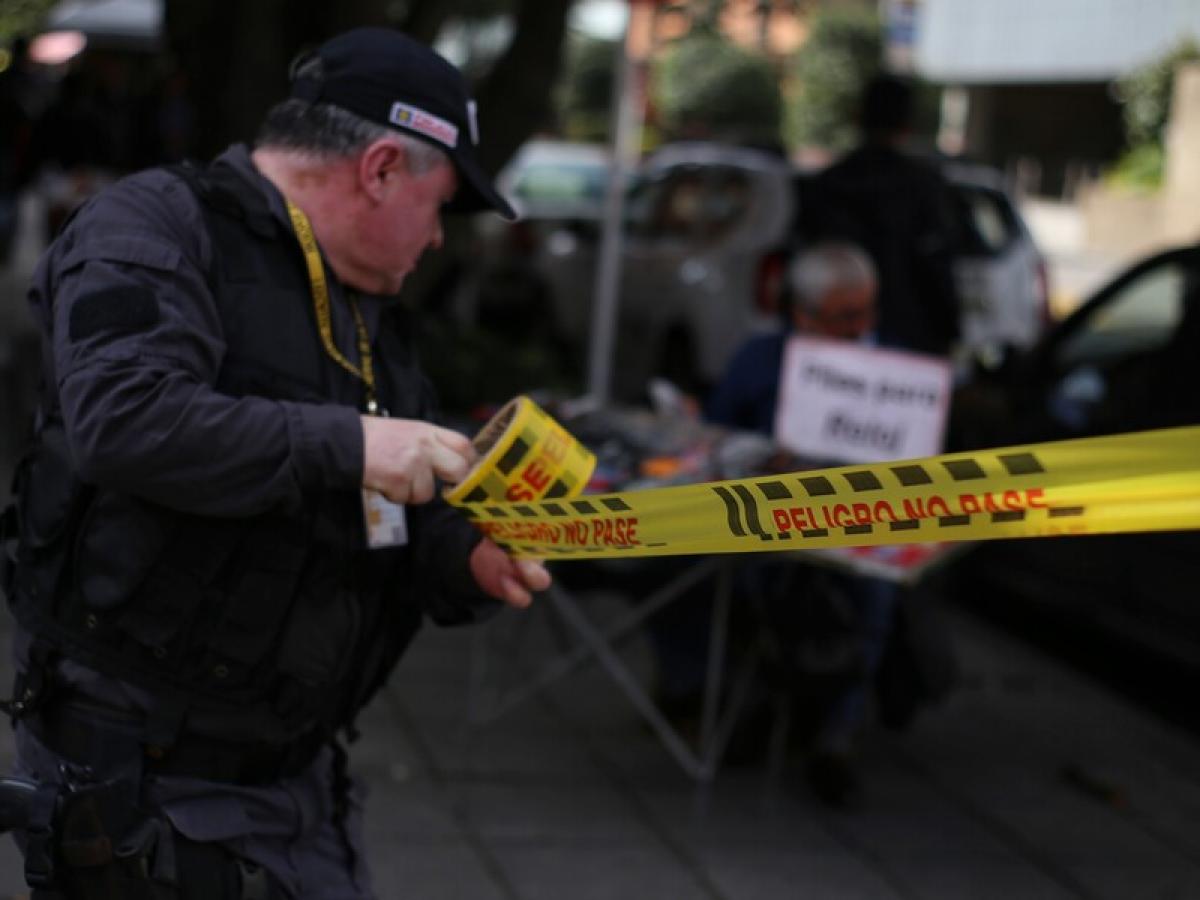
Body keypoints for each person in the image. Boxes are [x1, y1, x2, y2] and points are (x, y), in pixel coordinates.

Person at [0, 28, 550, 899]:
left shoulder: (363, 304)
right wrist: (357, 443)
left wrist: (467, 558)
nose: (439, 238)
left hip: (296, 784)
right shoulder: (156, 225)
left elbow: (384, 505)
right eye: (441, 204)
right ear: (380, 168)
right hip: (144, 786)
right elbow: (126, 420)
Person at [706, 242, 899, 807]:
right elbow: (715, 438)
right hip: (771, 527)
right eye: (846, 317)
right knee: (737, 586)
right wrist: (761, 459)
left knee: (874, 596)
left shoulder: (896, 367)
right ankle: (756, 702)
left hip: (864, 530)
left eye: (868, 311)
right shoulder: (761, 360)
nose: (862, 327)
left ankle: (837, 738)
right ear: (803, 316)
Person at [801, 73, 962, 358]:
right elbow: (937, 268)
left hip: (831, 340)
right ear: (907, 125)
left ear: (858, 117)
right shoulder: (923, 187)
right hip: (909, 341)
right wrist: (951, 330)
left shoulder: (827, 184)